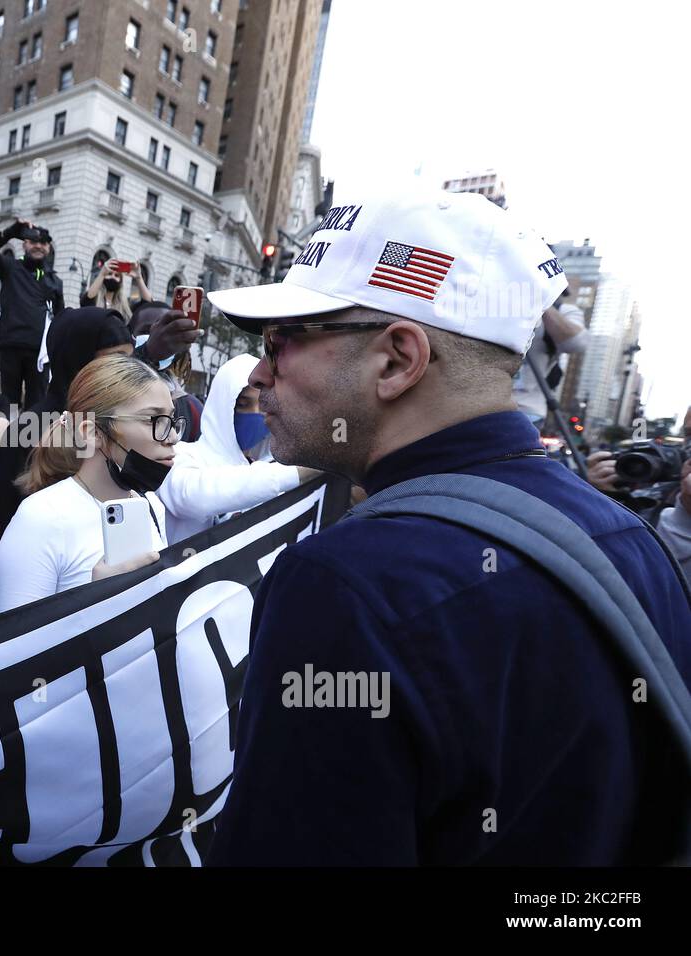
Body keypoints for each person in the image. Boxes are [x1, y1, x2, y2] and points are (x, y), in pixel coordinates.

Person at [204, 190, 691, 865]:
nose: (259, 375)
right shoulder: (632, 540)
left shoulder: (345, 586)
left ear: (398, 359)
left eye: (282, 342)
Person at [0, 354, 175, 613]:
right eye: (153, 420)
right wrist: (91, 604)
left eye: (171, 419)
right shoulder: (40, 518)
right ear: (92, 432)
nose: (173, 436)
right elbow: (7, 648)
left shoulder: (152, 506)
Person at [0, 306, 134, 532]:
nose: (124, 371)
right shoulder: (28, 429)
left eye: (129, 359)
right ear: (78, 358)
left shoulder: (115, 422)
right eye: (115, 359)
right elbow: (2, 515)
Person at [157, 354, 315, 544]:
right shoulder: (182, 456)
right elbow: (191, 496)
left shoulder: (264, 467)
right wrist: (301, 472)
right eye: (243, 404)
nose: (255, 415)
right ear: (222, 406)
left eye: (263, 405)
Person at [0, 218, 64, 407]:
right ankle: (9, 435)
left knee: (37, 403)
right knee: (9, 402)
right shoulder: (10, 267)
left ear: (49, 247)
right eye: (33, 242)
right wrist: (9, 232)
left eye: (43, 243)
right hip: (11, 346)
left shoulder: (55, 281)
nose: (38, 246)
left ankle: (30, 438)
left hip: (41, 354)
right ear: (24, 244)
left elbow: (60, 319)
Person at [129, 300, 204, 442]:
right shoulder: (106, 386)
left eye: (168, 330)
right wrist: (146, 354)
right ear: (130, 336)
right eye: (147, 331)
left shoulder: (192, 409)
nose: (160, 336)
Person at [512, 286, 587, 428]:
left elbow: (576, 343)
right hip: (475, 402)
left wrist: (540, 300)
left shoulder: (564, 310)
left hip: (526, 409)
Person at [79, 257, 149, 321]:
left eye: (116, 275)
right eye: (109, 274)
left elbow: (147, 302)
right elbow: (86, 300)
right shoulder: (95, 300)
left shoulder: (126, 305)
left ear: (120, 282)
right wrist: (102, 273)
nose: (113, 277)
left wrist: (139, 277)